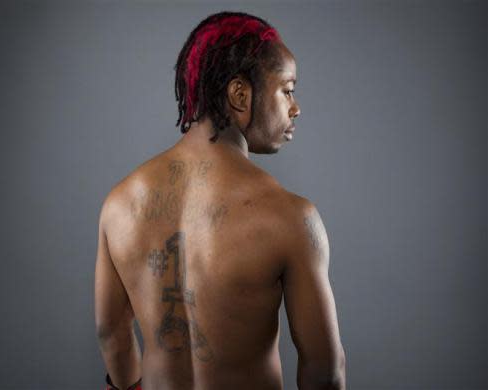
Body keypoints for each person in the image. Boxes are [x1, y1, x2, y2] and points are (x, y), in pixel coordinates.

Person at [94, 11, 346, 390]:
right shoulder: (290, 217)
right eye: (288, 89)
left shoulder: (119, 203)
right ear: (240, 94)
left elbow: (110, 333)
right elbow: (325, 370)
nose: (296, 107)